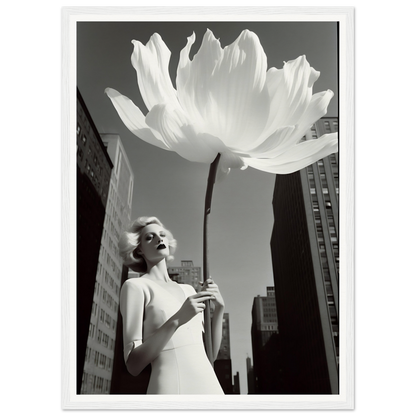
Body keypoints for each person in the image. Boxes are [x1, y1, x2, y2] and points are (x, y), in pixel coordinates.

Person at [118, 216, 225, 394]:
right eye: (149, 237)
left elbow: (210, 355)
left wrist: (219, 309)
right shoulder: (135, 287)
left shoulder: (189, 290)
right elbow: (133, 364)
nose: (159, 239)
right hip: (172, 387)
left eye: (162, 234)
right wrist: (177, 319)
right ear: (139, 250)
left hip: (211, 387)